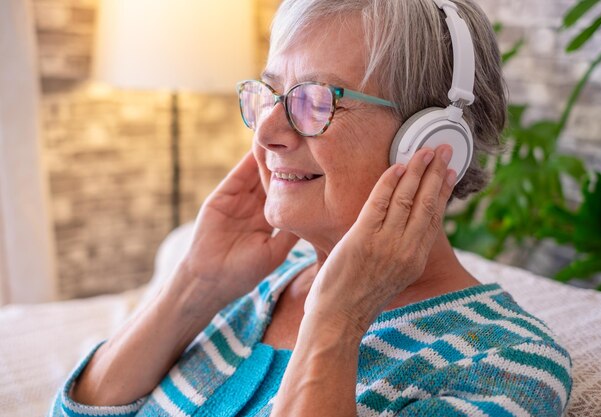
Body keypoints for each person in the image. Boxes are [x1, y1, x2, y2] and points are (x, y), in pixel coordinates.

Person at [49, 0, 572, 416]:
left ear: (432, 144)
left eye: (317, 100)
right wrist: (196, 284)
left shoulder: (503, 364)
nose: (267, 132)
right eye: (270, 94)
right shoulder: (250, 288)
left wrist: (335, 323)